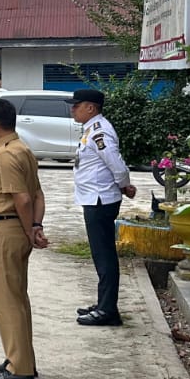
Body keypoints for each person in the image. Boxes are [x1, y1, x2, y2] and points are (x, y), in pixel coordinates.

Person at [0, 97, 47, 379]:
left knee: (8, 300)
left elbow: (24, 199)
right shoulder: (23, 149)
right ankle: (19, 357)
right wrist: (36, 226)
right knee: (17, 297)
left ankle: (20, 368)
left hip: (3, 229)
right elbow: (38, 194)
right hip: (14, 227)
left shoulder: (6, 155)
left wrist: (30, 230)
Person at [70, 89, 136, 327]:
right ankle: (103, 303)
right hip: (94, 198)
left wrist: (125, 185)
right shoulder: (91, 128)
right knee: (101, 254)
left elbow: (115, 163)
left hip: (100, 199)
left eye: (77, 105)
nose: (72, 109)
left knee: (104, 255)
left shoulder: (100, 131)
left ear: (91, 107)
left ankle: (108, 310)